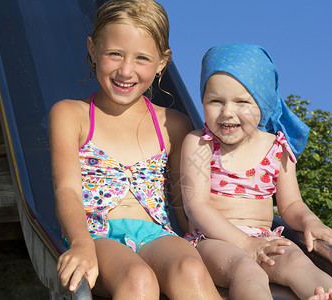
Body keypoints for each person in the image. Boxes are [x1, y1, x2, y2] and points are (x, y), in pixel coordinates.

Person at [49, 0, 221, 298]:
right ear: (92, 49)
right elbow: (67, 189)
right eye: (114, 54)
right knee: (138, 278)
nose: (126, 70)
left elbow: (185, 206)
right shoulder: (70, 115)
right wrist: (80, 244)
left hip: (158, 234)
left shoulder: (174, 125)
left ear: (162, 63)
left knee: (190, 269)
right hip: (97, 235)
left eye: (141, 58)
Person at [181, 42, 332, 300]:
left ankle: (330, 296)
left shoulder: (277, 146)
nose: (227, 112)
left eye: (241, 102)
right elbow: (197, 207)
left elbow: (291, 204)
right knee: (247, 270)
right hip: (212, 241)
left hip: (264, 238)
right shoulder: (200, 143)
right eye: (215, 101)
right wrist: (245, 244)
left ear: (263, 104)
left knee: (299, 263)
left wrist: (309, 221)